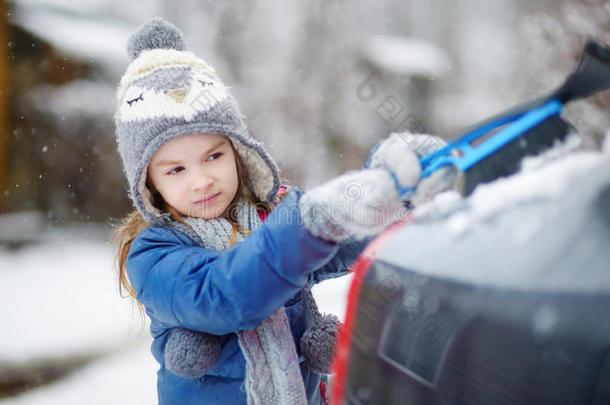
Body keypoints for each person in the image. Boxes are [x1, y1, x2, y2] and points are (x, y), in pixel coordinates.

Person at [113, 17, 445, 405]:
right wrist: (308, 222)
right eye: (176, 169)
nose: (201, 180)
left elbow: (343, 239)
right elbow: (225, 295)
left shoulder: (271, 215)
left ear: (238, 152)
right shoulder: (153, 254)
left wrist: (395, 194)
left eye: (214, 155)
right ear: (149, 182)